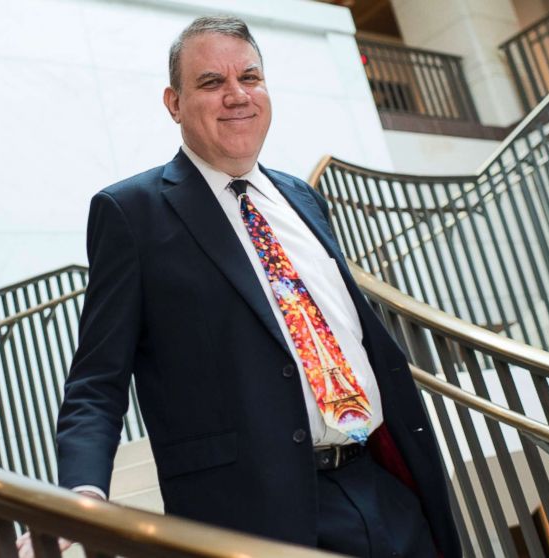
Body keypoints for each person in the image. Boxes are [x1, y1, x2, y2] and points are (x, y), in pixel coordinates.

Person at [40, 15, 461, 558]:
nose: (236, 95)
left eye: (250, 77)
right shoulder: (131, 214)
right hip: (253, 519)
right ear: (173, 103)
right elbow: (96, 382)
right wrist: (82, 493)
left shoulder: (301, 199)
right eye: (212, 82)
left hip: (383, 487)